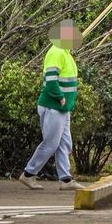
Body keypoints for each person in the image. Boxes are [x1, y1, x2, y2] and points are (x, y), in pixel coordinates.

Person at [19, 19, 79, 190]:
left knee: (64, 143)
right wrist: (60, 98)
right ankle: (29, 174)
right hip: (54, 106)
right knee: (51, 143)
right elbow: (51, 79)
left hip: (63, 108)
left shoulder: (66, 53)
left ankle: (65, 179)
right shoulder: (56, 52)